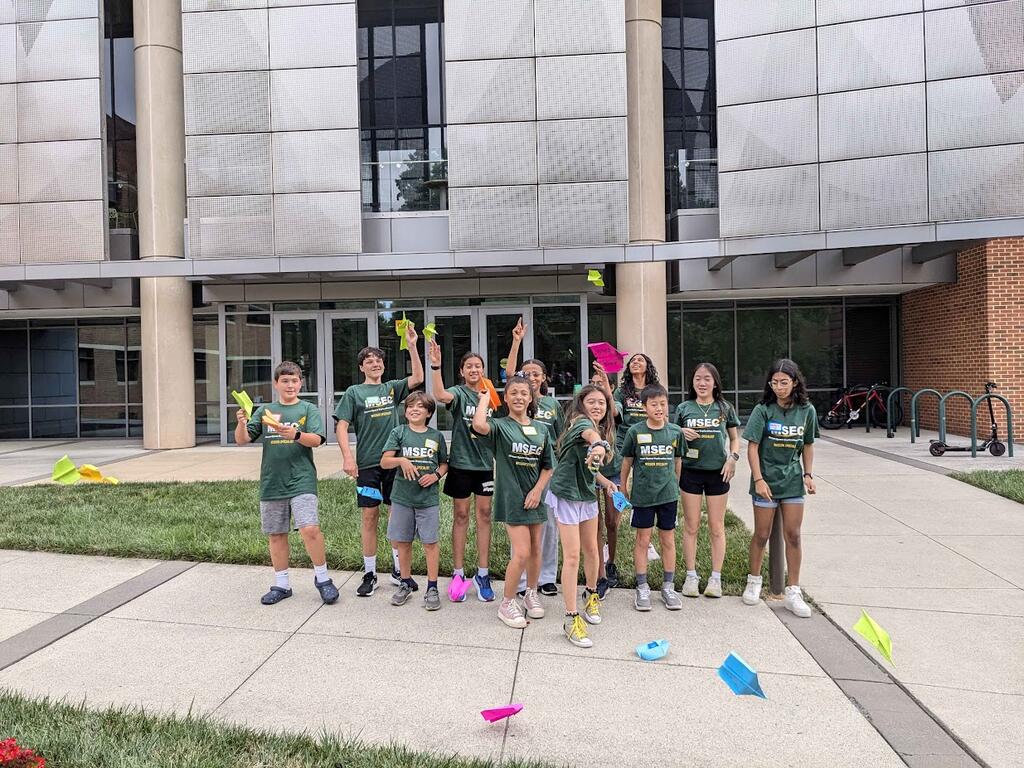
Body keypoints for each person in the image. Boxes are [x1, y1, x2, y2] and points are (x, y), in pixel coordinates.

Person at [235, 361, 338, 607]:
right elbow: (243, 439)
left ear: (300, 383)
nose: (290, 385)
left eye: (294, 380)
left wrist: (297, 435)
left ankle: (323, 579)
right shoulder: (265, 411)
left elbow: (317, 440)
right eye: (285, 381)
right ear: (276, 384)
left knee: (309, 529)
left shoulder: (307, 409)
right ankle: (282, 585)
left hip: (302, 480)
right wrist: (240, 422)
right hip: (272, 482)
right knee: (276, 534)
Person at [335, 323, 423, 597]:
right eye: (368, 361)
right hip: (368, 465)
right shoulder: (354, 392)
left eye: (378, 360)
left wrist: (412, 345)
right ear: (362, 367)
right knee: (369, 517)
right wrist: (348, 458)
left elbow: (418, 377)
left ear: (384, 365)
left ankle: (398, 572)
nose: (375, 363)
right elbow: (341, 426)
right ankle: (370, 573)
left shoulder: (391, 388)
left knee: (395, 516)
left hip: (393, 464)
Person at [472, 374, 555, 629]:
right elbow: (479, 426)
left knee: (537, 550)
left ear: (531, 398)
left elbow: (548, 466)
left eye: (524, 393)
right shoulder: (500, 426)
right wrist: (485, 401)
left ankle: (531, 592)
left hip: (535, 498)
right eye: (514, 393)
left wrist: (538, 491)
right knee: (521, 553)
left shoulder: (541, 429)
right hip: (512, 498)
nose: (519, 397)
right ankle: (507, 603)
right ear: (506, 398)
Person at [742, 358, 818, 618]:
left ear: (795, 382)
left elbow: (808, 444)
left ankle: (793, 590)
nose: (778, 387)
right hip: (766, 481)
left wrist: (808, 474)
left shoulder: (807, 410)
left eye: (784, 382)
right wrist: (759, 479)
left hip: (793, 481)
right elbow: (752, 446)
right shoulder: (763, 409)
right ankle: (754, 581)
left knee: (793, 535)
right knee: (761, 534)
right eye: (774, 382)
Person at [546, 369, 617, 648]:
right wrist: (598, 445)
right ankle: (570, 617)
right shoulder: (580, 423)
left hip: (587, 494)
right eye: (592, 402)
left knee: (593, 550)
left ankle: (591, 597)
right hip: (566, 496)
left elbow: (588, 465)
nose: (597, 406)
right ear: (581, 405)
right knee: (573, 556)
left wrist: (605, 482)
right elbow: (590, 438)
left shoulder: (599, 427)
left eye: (602, 402)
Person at [428, 340, 496, 602]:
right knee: (461, 514)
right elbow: (440, 395)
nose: (474, 369)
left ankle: (482, 573)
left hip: (483, 465)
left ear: (483, 370)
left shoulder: (489, 394)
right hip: (460, 463)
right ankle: (458, 573)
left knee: (485, 515)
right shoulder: (458, 392)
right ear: (461, 371)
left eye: (478, 366)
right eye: (469, 366)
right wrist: (436, 364)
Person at [505, 317, 563, 596]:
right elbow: (509, 376)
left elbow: (561, 437)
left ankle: (546, 576)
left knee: (547, 524)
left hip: (546, 472)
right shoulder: (517, 399)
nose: (530, 377)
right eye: (525, 373)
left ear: (544, 378)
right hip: (517, 469)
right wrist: (516, 341)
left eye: (535, 373)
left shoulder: (553, 405)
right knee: (519, 525)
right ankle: (520, 578)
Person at [675, 363, 740, 599]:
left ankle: (715, 578)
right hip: (690, 473)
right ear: (692, 382)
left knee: (716, 526)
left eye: (707, 379)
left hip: (718, 473)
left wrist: (732, 458)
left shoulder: (724, 408)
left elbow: (734, 439)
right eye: (697, 379)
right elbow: (673, 435)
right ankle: (691, 576)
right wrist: (680, 431)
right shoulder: (684, 408)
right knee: (691, 526)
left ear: (715, 382)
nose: (702, 383)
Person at [380, 392, 449, 611]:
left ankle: (432, 586)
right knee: (403, 541)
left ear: (429, 412)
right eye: (410, 406)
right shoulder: (398, 432)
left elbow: (444, 464)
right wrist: (401, 460)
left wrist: (436, 476)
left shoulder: (436, 436)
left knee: (430, 542)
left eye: (420, 406)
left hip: (427, 499)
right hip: (402, 497)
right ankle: (405, 582)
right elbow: (384, 462)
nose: (414, 409)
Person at [601, 353, 663, 592]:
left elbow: (661, 413)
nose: (636, 363)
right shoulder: (622, 391)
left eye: (640, 360)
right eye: (633, 360)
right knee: (621, 492)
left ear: (648, 365)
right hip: (625, 443)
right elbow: (614, 413)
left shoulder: (654, 389)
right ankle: (611, 540)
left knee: (647, 490)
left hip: (650, 442)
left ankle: (646, 541)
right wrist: (607, 384)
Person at [620, 384, 684, 611]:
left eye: (663, 404)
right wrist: (623, 486)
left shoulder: (675, 432)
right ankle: (642, 586)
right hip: (643, 496)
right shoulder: (635, 432)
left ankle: (668, 586)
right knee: (643, 541)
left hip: (668, 496)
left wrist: (674, 485)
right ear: (644, 406)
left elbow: (677, 461)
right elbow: (627, 461)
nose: (659, 408)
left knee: (668, 540)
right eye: (654, 404)